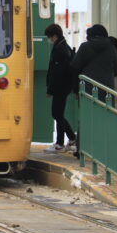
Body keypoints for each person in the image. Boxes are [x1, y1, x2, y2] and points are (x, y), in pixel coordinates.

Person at [70, 24, 117, 158]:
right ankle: (102, 150)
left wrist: (75, 89)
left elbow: (74, 67)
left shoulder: (85, 47)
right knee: (104, 118)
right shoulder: (110, 47)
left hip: (87, 88)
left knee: (86, 118)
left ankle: (82, 150)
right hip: (106, 89)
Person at [43, 24, 76, 153]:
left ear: (54, 36)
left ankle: (60, 143)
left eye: (49, 37)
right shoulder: (63, 46)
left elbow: (56, 73)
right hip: (64, 86)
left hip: (61, 87)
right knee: (58, 114)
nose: (49, 39)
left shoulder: (60, 50)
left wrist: (50, 90)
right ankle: (71, 138)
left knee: (57, 114)